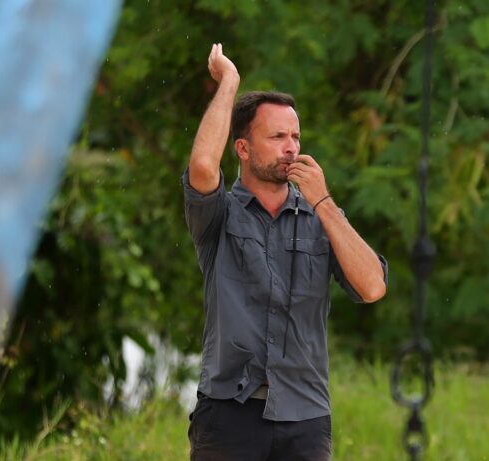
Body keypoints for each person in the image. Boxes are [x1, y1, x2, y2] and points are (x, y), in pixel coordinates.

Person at [182, 43, 388, 461]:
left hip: (305, 416)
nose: (291, 147)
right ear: (243, 149)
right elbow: (203, 167)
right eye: (277, 137)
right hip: (228, 413)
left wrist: (324, 203)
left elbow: (372, 287)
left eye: (295, 137)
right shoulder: (219, 215)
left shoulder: (322, 217)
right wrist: (229, 82)